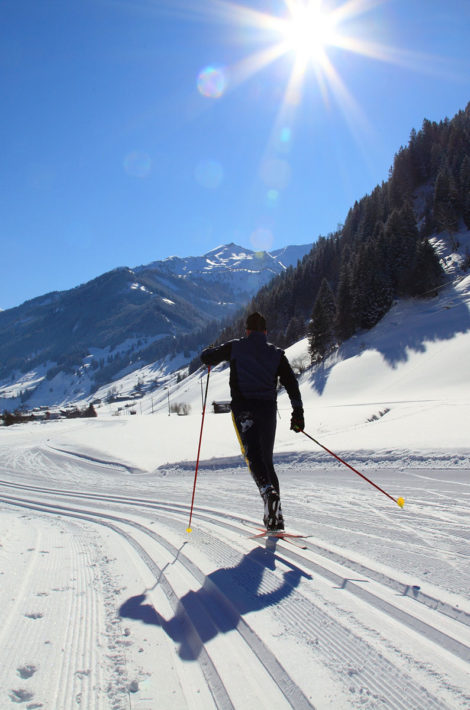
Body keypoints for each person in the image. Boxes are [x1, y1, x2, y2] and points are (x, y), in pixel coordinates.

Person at [200, 312, 305, 532]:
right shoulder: (276, 354)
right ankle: (276, 517)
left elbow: (207, 358)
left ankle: (268, 493)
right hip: (267, 410)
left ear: (247, 330)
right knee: (267, 460)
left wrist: (209, 350)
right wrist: (298, 413)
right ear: (265, 332)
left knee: (252, 455)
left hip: (244, 409)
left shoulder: (236, 347)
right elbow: (291, 384)